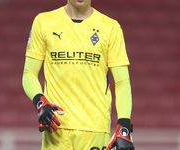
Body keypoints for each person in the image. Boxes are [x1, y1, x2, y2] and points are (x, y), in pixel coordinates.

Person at [22, 0, 135, 149]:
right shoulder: (43, 22)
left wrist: (124, 126)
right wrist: (40, 101)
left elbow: (122, 82)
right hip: (57, 130)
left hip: (95, 130)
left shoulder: (111, 27)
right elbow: (29, 73)